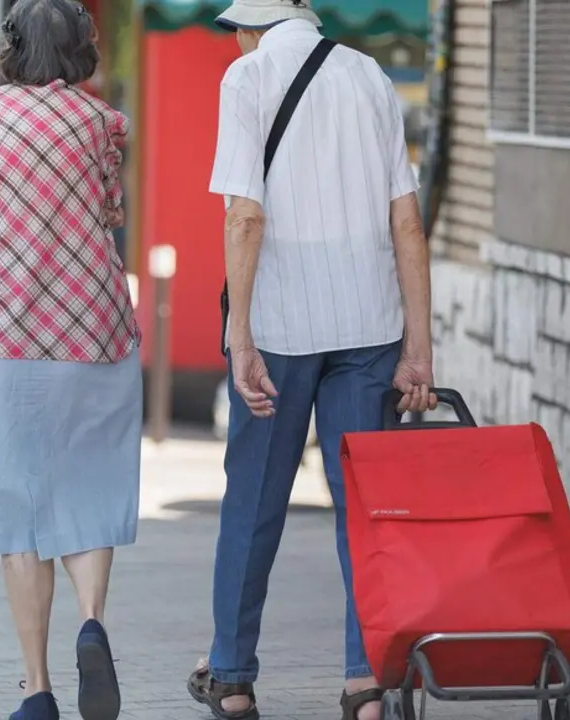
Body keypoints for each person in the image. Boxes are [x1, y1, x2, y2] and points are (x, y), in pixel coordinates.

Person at [185, 2, 437, 720]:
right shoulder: (369, 76)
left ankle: (231, 677)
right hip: (370, 324)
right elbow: (407, 222)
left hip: (280, 328)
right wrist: (417, 344)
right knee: (365, 506)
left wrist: (241, 340)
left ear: (247, 30)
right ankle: (367, 684)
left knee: (254, 499)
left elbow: (244, 215)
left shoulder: (247, 79)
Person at [0, 2, 136, 720]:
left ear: (12, 48)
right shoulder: (103, 124)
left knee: (18, 516)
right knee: (88, 489)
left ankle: (37, 689)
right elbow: (110, 212)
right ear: (82, 48)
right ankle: (92, 621)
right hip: (89, 328)